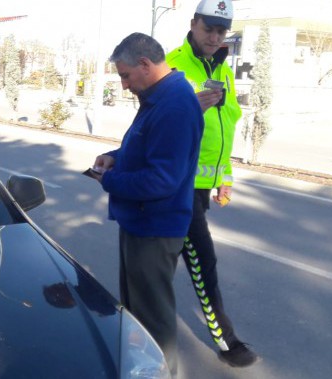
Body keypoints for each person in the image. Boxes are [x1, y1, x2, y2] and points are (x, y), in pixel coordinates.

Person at [88, 32, 203, 376]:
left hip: (155, 228)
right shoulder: (159, 98)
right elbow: (143, 149)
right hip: (141, 223)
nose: (124, 85)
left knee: (153, 321)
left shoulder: (174, 105)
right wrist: (113, 157)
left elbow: (161, 179)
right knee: (137, 313)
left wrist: (108, 180)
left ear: (145, 64)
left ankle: (162, 374)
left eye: (125, 76)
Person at [164, 0, 260, 367]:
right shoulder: (172, 65)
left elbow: (228, 125)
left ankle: (130, 317)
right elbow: (156, 123)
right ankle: (228, 342)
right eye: (209, 29)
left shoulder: (224, 69)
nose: (215, 37)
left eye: (221, 31)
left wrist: (225, 178)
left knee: (158, 262)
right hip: (178, 183)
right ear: (193, 24)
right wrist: (192, 107)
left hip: (204, 186)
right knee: (203, 262)